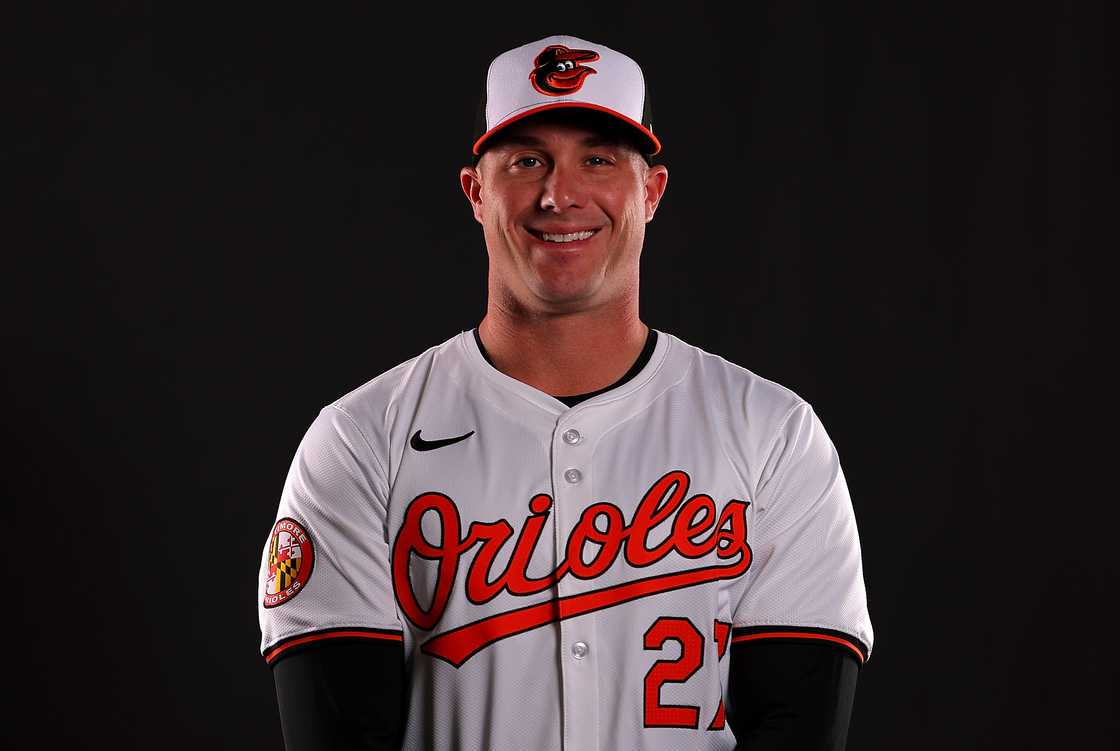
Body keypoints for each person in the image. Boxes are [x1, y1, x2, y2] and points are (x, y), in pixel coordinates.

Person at [258, 35, 873, 751]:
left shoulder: (773, 434)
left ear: (650, 191)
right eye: (527, 161)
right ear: (475, 191)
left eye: (599, 158)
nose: (561, 193)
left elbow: (798, 724)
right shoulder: (363, 438)